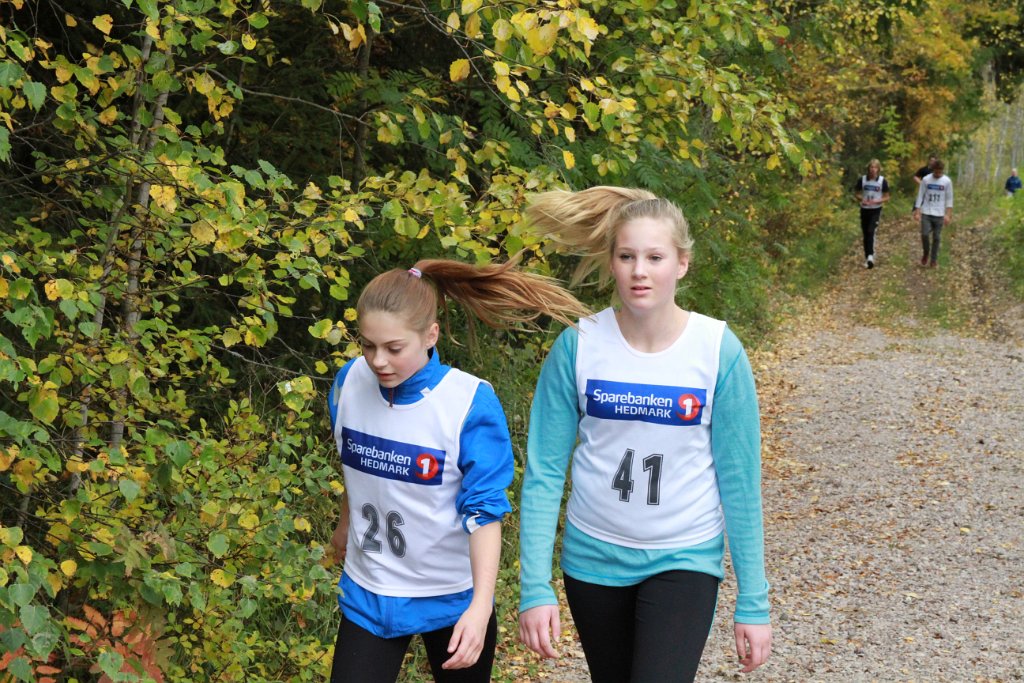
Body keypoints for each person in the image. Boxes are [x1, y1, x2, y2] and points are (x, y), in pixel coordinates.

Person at [517, 187, 772, 682]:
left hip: (684, 557)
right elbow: (544, 473)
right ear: (611, 263)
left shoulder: (717, 350)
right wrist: (535, 587)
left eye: (655, 257)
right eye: (627, 256)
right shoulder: (577, 346)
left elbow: (741, 483)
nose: (640, 271)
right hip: (592, 560)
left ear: (682, 264)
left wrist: (753, 601)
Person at [328, 259, 589, 683]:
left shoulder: (468, 403)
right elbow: (354, 466)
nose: (378, 361)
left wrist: (480, 607)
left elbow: (484, 513)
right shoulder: (348, 382)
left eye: (394, 348)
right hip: (369, 590)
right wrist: (344, 525)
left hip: (450, 598)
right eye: (368, 345)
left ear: (430, 335)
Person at [913, 159, 954, 268]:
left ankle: (933, 260)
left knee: (937, 237)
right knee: (925, 234)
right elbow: (920, 195)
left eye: (940, 172)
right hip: (927, 211)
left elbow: (949, 199)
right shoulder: (926, 179)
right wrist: (917, 211)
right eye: (936, 171)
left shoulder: (947, 181)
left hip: (939, 214)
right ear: (933, 170)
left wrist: (948, 215)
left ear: (942, 170)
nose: (938, 174)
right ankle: (926, 253)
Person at [853, 159, 891, 268]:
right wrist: (862, 199)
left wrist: (878, 200)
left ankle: (870, 256)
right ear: (868, 168)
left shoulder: (882, 181)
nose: (873, 169)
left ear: (878, 169)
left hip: (876, 209)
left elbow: (887, 196)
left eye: (875, 167)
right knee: (866, 233)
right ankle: (868, 257)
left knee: (871, 231)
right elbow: (857, 193)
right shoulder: (862, 180)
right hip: (864, 209)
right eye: (871, 167)